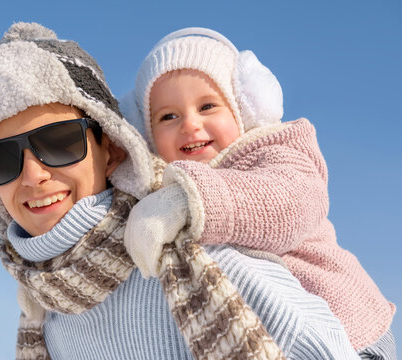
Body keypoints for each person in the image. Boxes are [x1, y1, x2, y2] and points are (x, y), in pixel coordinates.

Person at [0, 22, 359, 359]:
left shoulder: (196, 265)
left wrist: (185, 202)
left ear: (112, 148)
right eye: (0, 159)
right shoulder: (46, 316)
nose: (32, 174)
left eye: (59, 142)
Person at [121, 27, 396, 359]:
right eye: (168, 116)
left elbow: (289, 202)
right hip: (268, 333)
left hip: (348, 331)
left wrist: (186, 201)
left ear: (246, 106)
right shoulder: (163, 178)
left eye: (207, 106)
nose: (190, 124)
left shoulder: (275, 149)